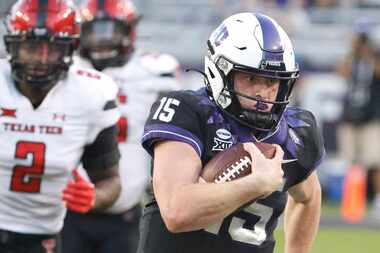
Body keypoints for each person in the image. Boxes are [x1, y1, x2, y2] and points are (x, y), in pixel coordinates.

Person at [139, 12, 324, 253]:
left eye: (272, 81)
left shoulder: (295, 133)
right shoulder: (187, 112)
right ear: (220, 71)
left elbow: (309, 198)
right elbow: (177, 212)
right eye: (251, 77)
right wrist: (254, 185)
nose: (263, 93)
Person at [0, 0, 121, 252]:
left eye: (52, 49)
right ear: (13, 45)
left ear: (70, 48)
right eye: (31, 47)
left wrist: (93, 198)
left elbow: (110, 182)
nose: (41, 59)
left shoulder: (90, 94)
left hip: (41, 236)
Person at [61, 1, 181, 253]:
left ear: (129, 31)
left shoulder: (153, 71)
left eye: (109, 30)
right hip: (68, 208)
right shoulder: (67, 69)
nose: (101, 40)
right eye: (94, 31)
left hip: (126, 209)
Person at [337, 30, 380, 220]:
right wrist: (353, 52)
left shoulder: (373, 60)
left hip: (371, 118)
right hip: (350, 118)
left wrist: (370, 53)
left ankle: (378, 201)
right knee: (352, 164)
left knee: (375, 162)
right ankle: (353, 202)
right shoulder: (351, 60)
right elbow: (341, 71)